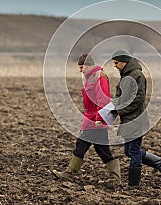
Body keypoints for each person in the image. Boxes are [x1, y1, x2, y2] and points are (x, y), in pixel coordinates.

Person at [51, 53, 121, 186]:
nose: (80, 70)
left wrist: (99, 119)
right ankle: (115, 179)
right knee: (102, 150)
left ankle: (68, 174)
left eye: (82, 67)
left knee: (81, 144)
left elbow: (103, 99)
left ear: (90, 66)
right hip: (92, 118)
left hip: (96, 120)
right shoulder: (90, 77)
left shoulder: (99, 77)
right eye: (79, 67)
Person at [111, 49, 161, 190]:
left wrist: (119, 110)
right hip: (129, 120)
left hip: (136, 119)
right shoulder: (126, 75)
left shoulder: (137, 75)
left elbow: (138, 99)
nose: (114, 65)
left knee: (134, 152)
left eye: (116, 62)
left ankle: (133, 184)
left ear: (125, 62)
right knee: (129, 151)